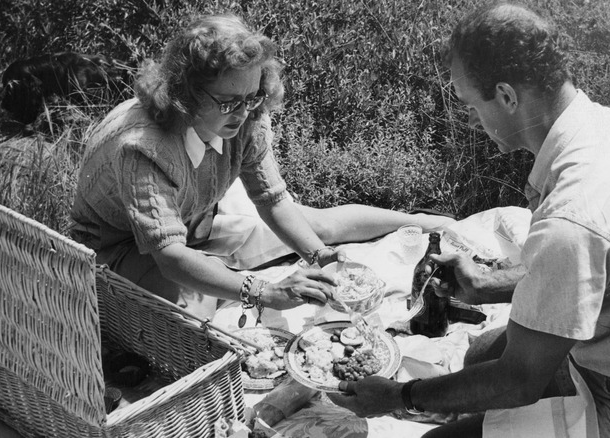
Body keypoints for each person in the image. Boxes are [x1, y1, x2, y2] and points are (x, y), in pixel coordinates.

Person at [330, 3, 610, 437]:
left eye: (471, 104)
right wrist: (487, 286)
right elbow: (605, 275)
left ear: (506, 97)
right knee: (481, 353)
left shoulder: (574, 215)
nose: (470, 120)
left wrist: (399, 397)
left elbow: (519, 381)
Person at [70, 14, 453, 320]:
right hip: (119, 246)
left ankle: (431, 223)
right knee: (195, 311)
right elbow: (170, 257)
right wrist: (264, 291)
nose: (242, 112)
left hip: (197, 212)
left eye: (252, 97)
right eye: (228, 102)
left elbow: (272, 200)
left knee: (316, 229)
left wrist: (318, 256)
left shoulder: (246, 115)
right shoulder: (145, 147)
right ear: (185, 93)